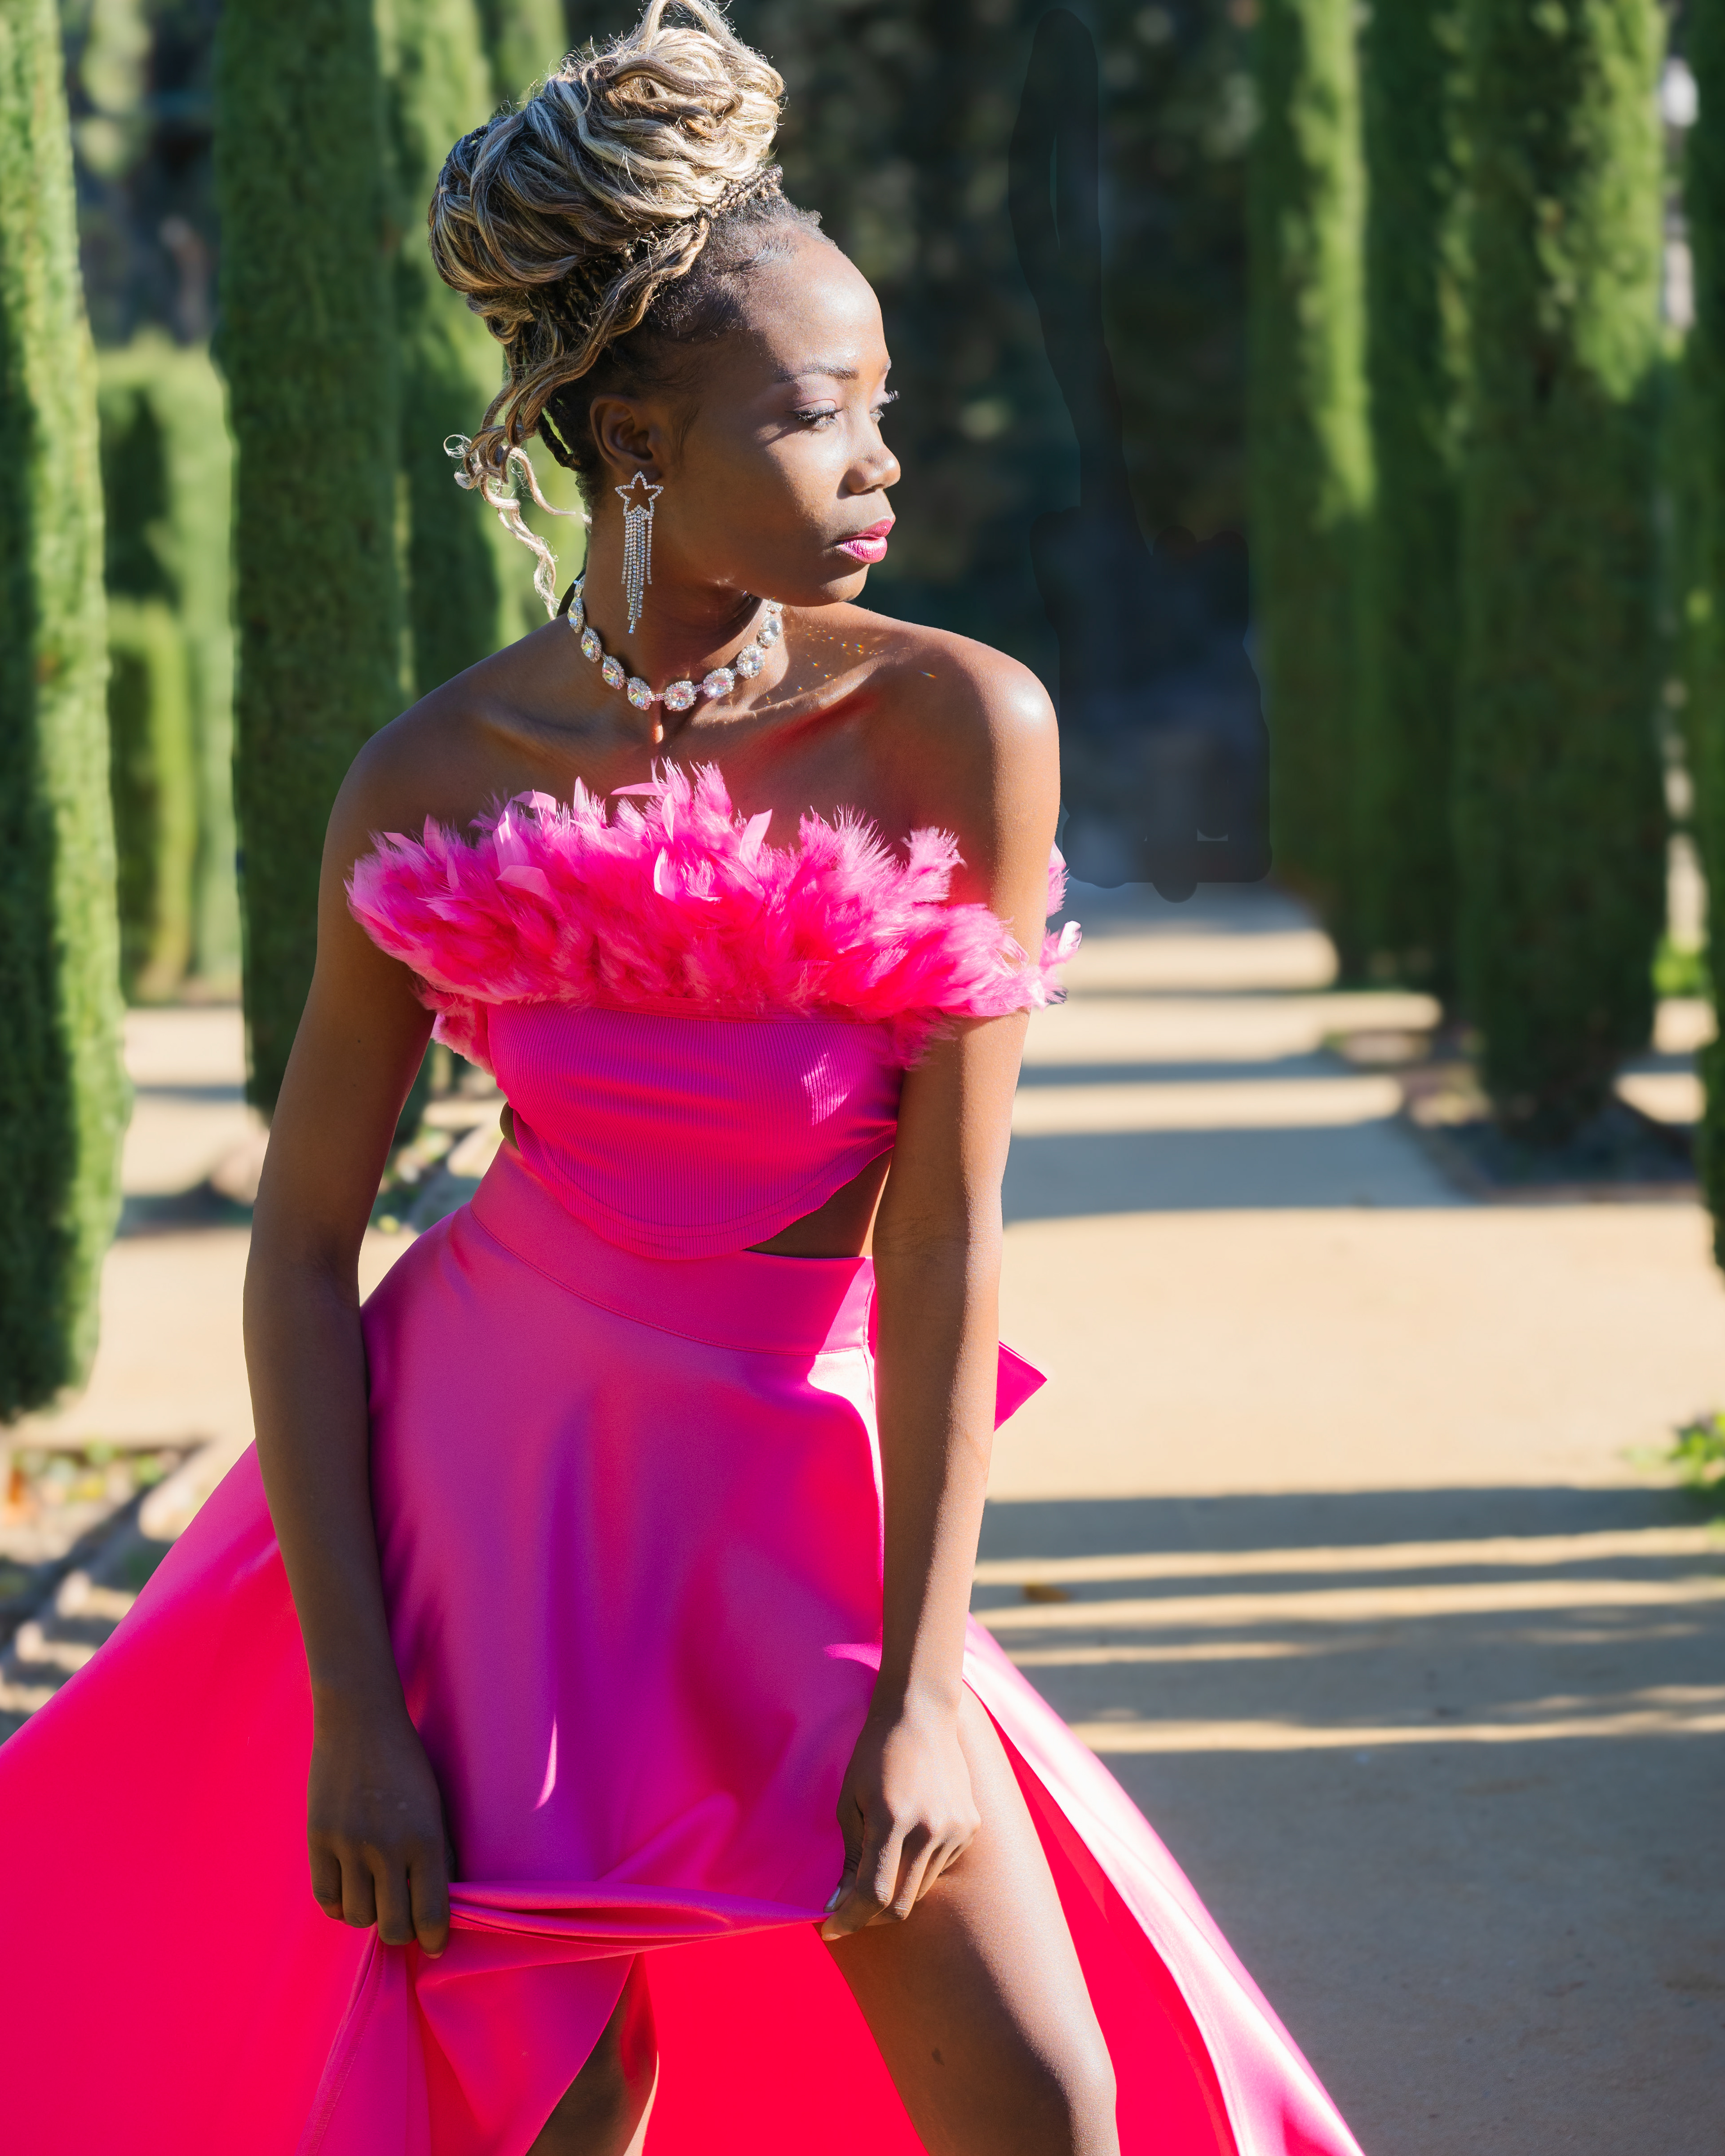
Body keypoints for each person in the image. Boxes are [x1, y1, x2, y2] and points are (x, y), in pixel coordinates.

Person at [0, 9, 1365, 2153]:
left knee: (1050, 2111)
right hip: (499, 1498)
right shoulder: (429, 779)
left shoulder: (959, 725)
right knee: (551, 2114)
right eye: (822, 418)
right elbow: (300, 1248)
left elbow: (950, 1223)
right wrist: (357, 1714)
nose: (883, 464)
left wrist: (923, 1686)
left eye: (883, 407)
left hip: (807, 1510)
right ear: (631, 432)